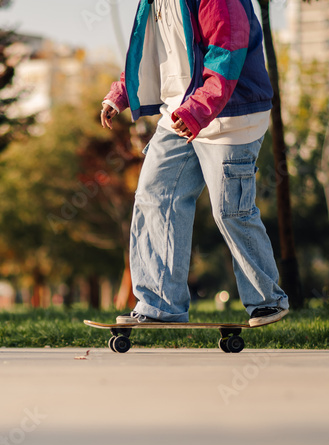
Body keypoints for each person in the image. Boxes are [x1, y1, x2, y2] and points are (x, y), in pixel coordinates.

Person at [101, 0, 289, 326]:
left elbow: (226, 52)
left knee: (230, 209)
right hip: (180, 111)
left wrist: (199, 110)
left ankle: (267, 300)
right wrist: (122, 92)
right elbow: (152, 51)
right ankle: (161, 305)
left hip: (232, 114)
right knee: (154, 196)